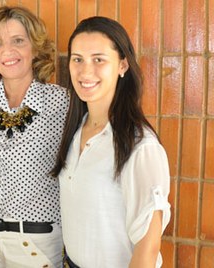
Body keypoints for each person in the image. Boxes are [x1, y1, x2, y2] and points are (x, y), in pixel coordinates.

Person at [51, 16, 171, 267]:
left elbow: (147, 249)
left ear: (122, 65)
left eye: (99, 60)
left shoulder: (140, 146)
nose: (86, 71)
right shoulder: (75, 131)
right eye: (77, 59)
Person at [0, 6, 69, 268]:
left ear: (35, 48)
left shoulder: (61, 102)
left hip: (35, 242)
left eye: (18, 41)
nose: (6, 51)